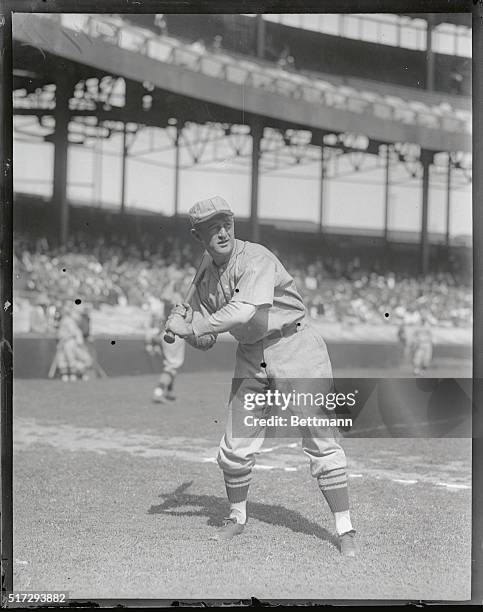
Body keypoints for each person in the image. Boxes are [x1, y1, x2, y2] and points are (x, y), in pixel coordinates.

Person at [165, 196, 357, 556]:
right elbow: (208, 339)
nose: (222, 232)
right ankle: (236, 517)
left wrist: (191, 328)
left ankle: (345, 529)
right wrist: (189, 326)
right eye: (212, 227)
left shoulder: (256, 257)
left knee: (319, 438)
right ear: (198, 235)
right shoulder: (206, 279)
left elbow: (242, 311)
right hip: (252, 356)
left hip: (295, 346)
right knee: (235, 443)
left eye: (226, 223)